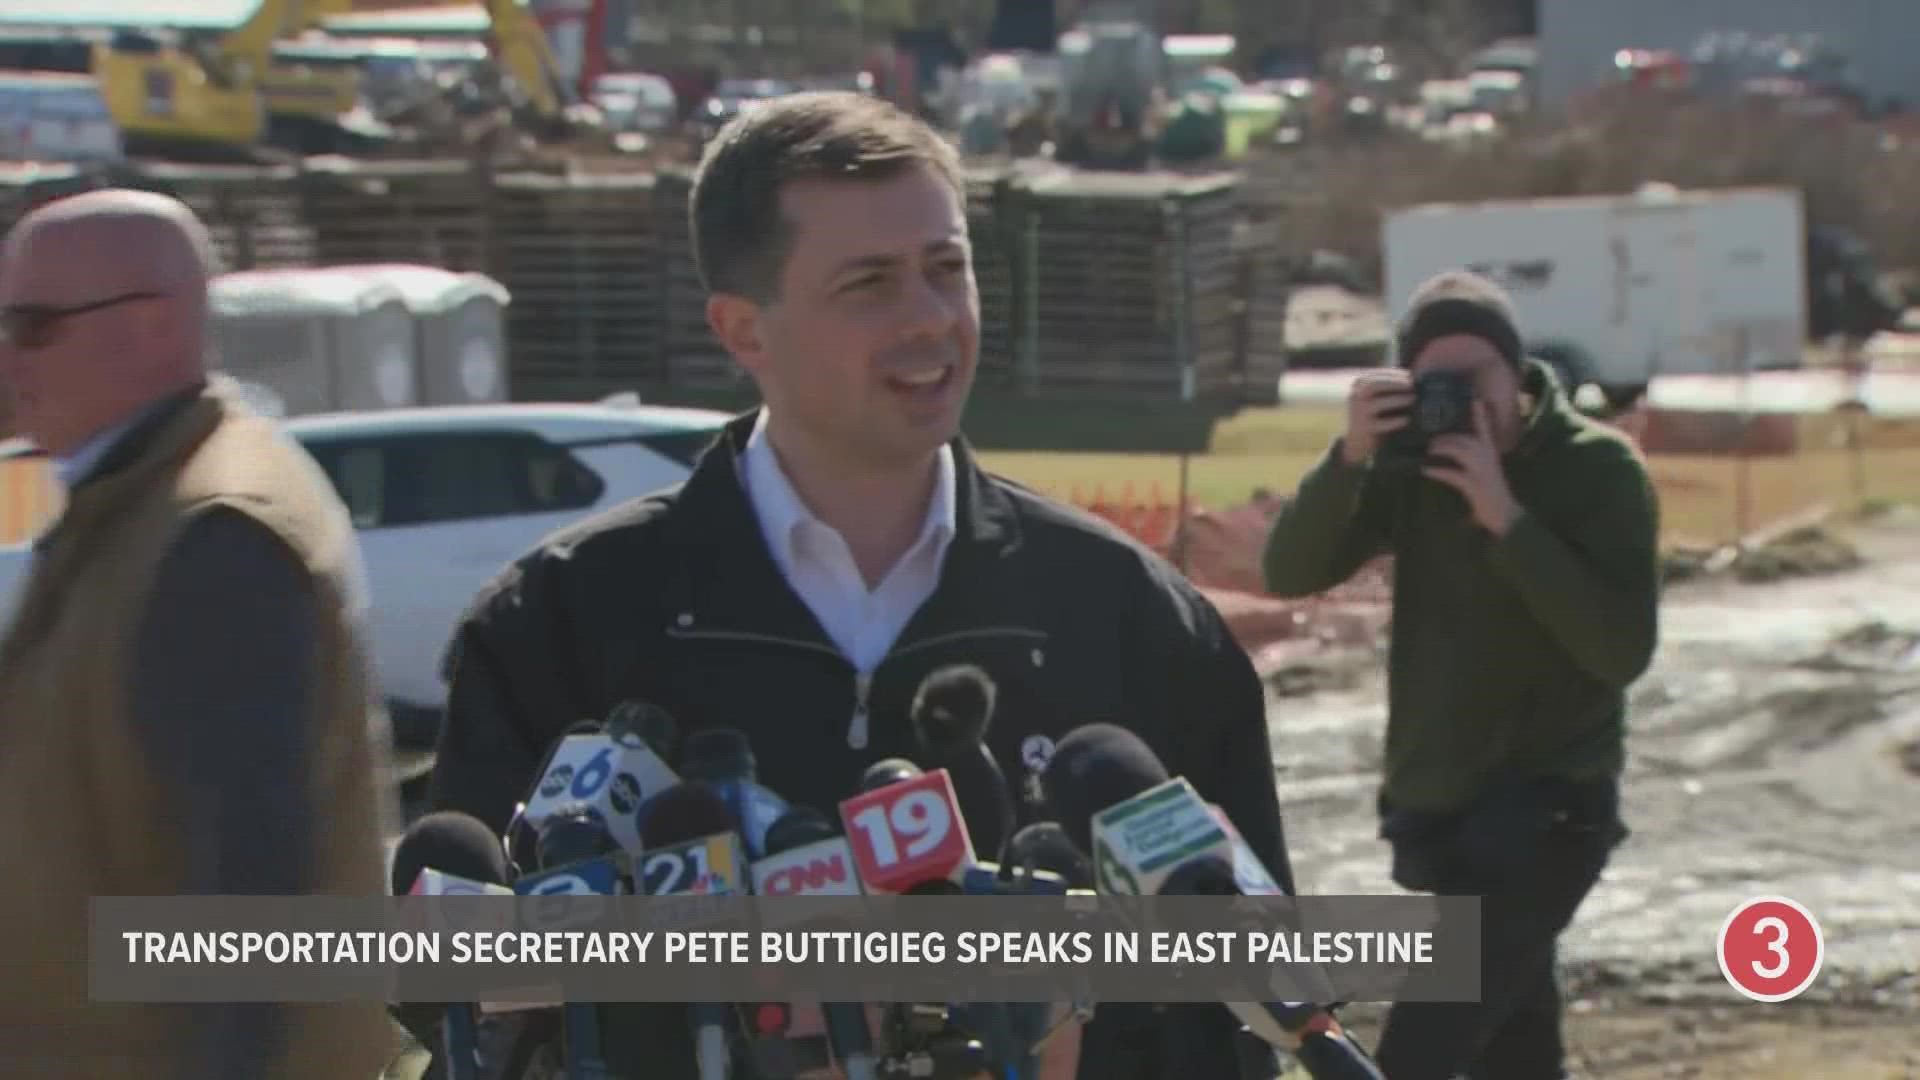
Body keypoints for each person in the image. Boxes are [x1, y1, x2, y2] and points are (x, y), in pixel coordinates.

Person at [428, 91, 1297, 1078]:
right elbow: (453, 997)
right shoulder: (556, 625)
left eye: (947, 269)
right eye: (870, 284)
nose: (929, 318)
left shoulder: (1133, 617)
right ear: (744, 330)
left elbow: (1241, 999)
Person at [0, 190, 397, 1079]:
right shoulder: (132, 497)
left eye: (31, 326)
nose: (8, 356)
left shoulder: (214, 531)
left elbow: (249, 901)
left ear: (152, 325)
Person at [1263, 270, 1661, 1080]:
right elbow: (1289, 570)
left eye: (1476, 378)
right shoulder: (1410, 468)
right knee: (1516, 1051)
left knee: (1418, 1053)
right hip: (1444, 807)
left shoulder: (1599, 470)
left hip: (1552, 810)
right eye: (1434, 383)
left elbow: (1621, 650)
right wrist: (1348, 458)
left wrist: (1505, 519)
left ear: (1519, 374)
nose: (1460, 402)